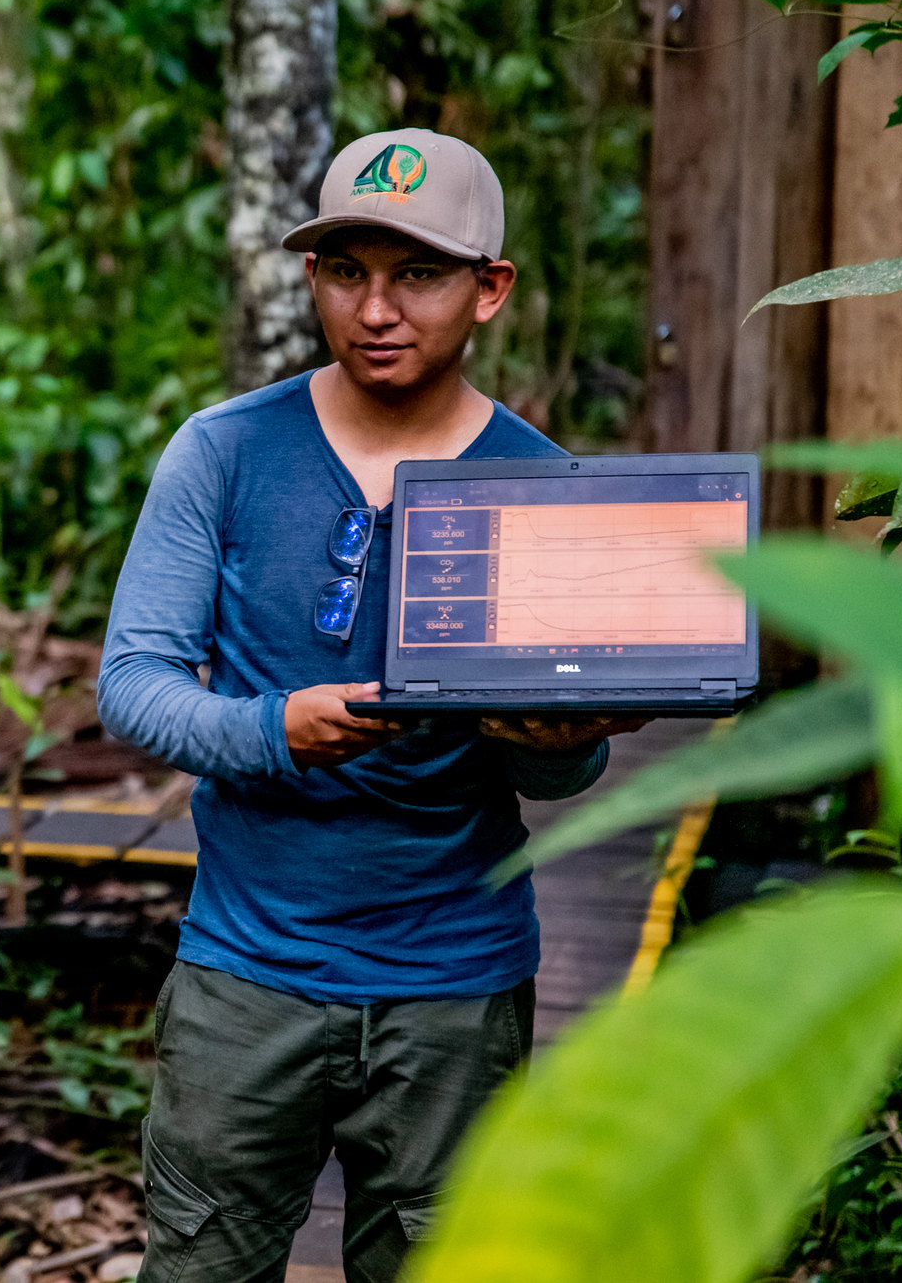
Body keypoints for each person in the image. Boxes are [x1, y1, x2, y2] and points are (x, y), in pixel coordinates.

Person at [99, 128, 644, 1283]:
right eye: (345, 269)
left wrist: (554, 743)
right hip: (245, 974)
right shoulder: (224, 452)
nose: (375, 309)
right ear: (311, 277)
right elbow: (132, 686)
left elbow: (561, 774)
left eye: (418, 273)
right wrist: (269, 729)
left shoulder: (538, 485)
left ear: (487, 289)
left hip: (454, 984)